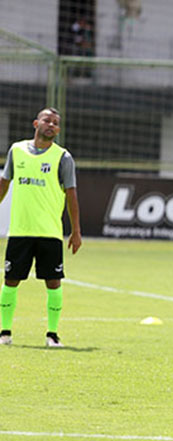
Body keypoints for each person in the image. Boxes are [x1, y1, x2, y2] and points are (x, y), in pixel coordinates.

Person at [0, 107, 82, 348]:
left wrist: (76, 230)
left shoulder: (63, 158)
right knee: (11, 280)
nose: (51, 125)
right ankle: (4, 332)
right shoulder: (17, 150)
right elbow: (4, 183)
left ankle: (52, 334)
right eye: (47, 120)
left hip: (50, 232)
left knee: (53, 282)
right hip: (20, 231)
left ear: (58, 130)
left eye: (56, 123)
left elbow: (71, 194)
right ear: (36, 123)